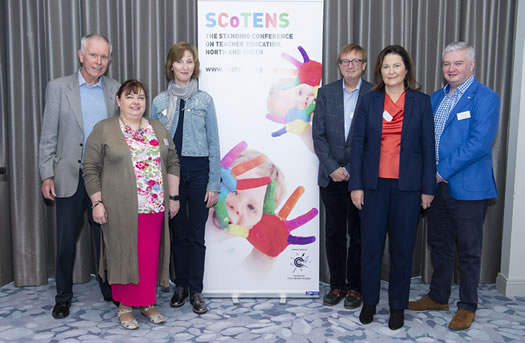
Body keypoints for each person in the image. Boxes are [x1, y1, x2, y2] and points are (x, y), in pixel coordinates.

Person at [408, 42, 500, 331]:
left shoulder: (485, 98)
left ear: (471, 65)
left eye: (458, 63)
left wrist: (439, 172)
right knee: (439, 245)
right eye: (447, 63)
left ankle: (467, 306)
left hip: (468, 187)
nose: (451, 69)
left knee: (469, 250)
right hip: (435, 188)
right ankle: (438, 296)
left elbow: (479, 144)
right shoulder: (434, 98)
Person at [82, 79, 180, 330]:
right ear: (118, 100)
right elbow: (90, 168)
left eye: (140, 98)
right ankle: (125, 306)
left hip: (155, 207)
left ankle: (147, 303)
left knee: (148, 256)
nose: (136, 102)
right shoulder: (104, 129)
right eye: (130, 97)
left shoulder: (157, 128)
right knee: (123, 255)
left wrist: (173, 197)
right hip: (120, 208)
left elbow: (172, 161)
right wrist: (97, 202)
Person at [349, 45, 435, 330]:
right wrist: (356, 186)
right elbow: (358, 146)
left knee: (401, 250)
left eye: (396, 66)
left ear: (406, 70)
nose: (391, 71)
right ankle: (370, 302)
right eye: (386, 66)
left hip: (408, 189)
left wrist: (427, 190)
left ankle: (397, 306)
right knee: (370, 249)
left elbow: (427, 148)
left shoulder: (421, 103)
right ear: (379, 71)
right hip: (373, 188)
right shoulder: (369, 101)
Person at [38, 33, 120, 319]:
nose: (99, 61)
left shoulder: (115, 90)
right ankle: (63, 296)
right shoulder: (59, 88)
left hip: (105, 180)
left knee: (106, 239)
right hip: (68, 176)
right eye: (94, 55)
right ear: (81, 55)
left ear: (109, 60)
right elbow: (48, 136)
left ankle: (110, 288)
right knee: (65, 243)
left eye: (104, 56)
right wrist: (46, 174)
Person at [151, 41, 220, 314]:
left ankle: (196, 290)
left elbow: (214, 143)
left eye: (190, 61)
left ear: (195, 66)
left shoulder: (205, 100)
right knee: (177, 233)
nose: (185, 66)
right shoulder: (157, 102)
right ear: (171, 66)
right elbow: (153, 145)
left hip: (200, 171)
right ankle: (179, 285)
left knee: (196, 235)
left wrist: (213, 183)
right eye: (180, 61)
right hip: (171, 175)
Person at [312, 44, 373, 309]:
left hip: (361, 177)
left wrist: (351, 168)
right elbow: (318, 134)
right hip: (331, 176)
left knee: (359, 234)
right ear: (339, 65)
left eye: (355, 61)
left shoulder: (374, 93)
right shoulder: (325, 93)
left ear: (363, 64)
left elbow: (375, 139)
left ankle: (356, 288)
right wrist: (332, 166)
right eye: (345, 61)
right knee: (334, 233)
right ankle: (337, 284)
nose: (350, 66)